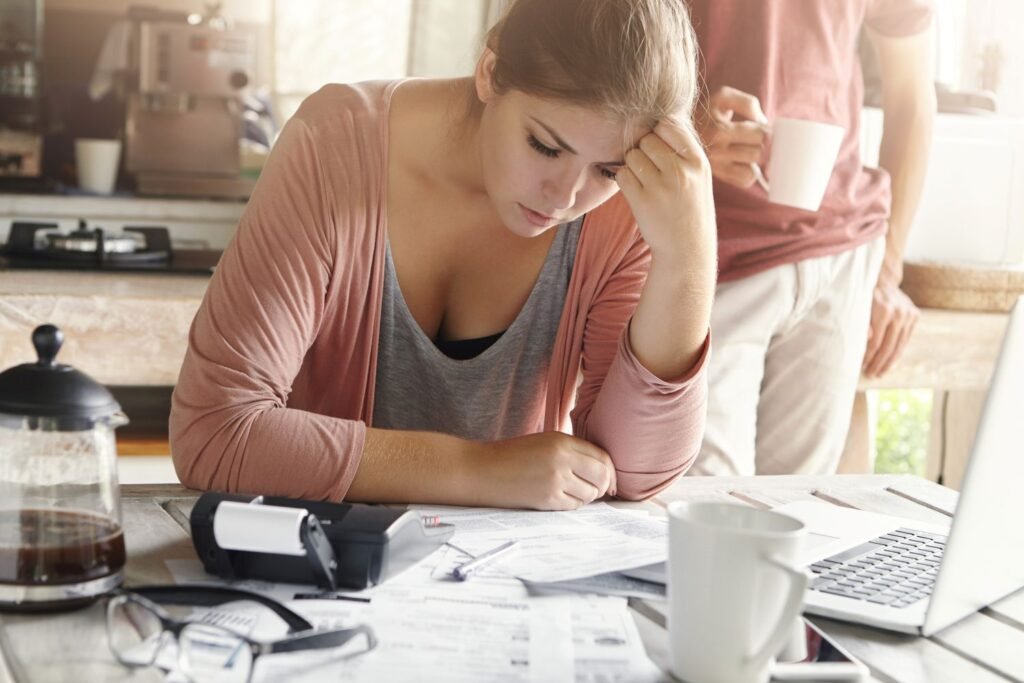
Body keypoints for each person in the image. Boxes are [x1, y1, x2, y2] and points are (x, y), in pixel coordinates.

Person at [169, 0, 715, 510]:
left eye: (608, 170)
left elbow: (637, 474)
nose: (566, 197)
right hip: (317, 575)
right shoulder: (335, 145)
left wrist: (689, 259)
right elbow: (215, 433)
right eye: (546, 146)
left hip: (501, 584)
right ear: (489, 72)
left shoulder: (627, 205)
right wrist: (477, 470)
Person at [686, 0, 936, 476]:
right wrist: (683, 129)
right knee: (701, 505)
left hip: (840, 255)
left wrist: (887, 273)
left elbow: (913, 100)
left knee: (801, 516)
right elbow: (599, 69)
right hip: (707, 255)